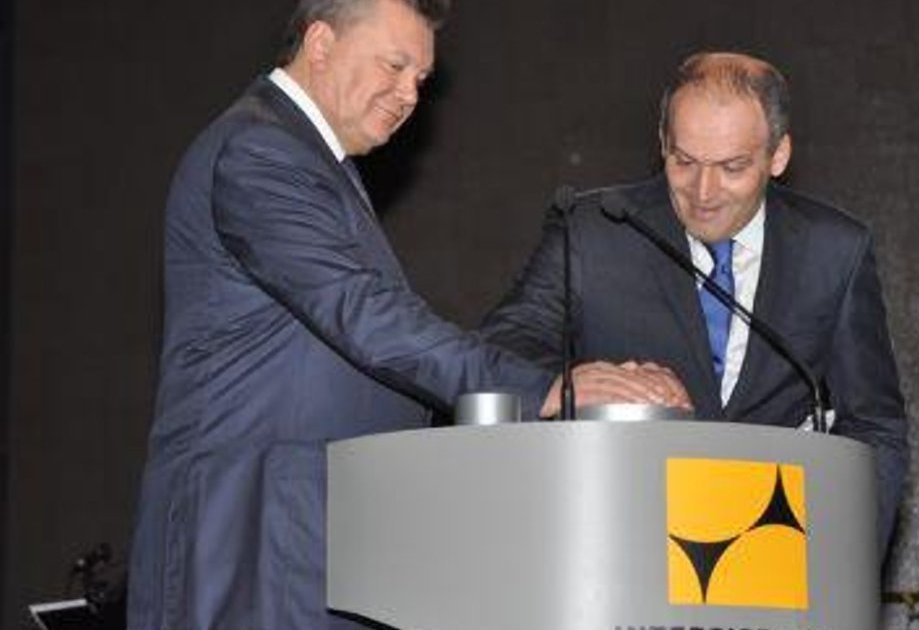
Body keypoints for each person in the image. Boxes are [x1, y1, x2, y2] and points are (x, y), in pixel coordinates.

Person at [126, 1, 688, 628]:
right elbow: (366, 317)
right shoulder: (261, 151)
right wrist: (545, 388)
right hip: (254, 538)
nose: (408, 95)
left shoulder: (309, 159)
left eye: (420, 79)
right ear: (320, 43)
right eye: (394, 66)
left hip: (309, 534)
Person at [482, 51, 908, 553]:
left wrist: (850, 564)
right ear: (663, 142)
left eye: (732, 167)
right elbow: (502, 348)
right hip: (621, 542)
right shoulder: (594, 231)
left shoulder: (834, 251)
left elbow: (874, 424)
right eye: (683, 162)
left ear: (778, 156)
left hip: (774, 550)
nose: (704, 192)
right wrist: (576, 382)